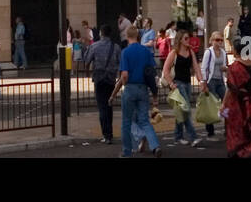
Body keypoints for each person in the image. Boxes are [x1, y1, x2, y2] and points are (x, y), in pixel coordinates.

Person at [112, 24, 161, 157]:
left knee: (126, 122)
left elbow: (124, 75)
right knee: (144, 120)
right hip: (143, 88)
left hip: (130, 87)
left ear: (127, 36)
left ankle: (127, 151)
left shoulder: (126, 52)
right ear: (138, 36)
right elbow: (151, 72)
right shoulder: (146, 51)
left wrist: (122, 87)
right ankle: (155, 146)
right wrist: (155, 94)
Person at [162, 28, 203, 147]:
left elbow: (196, 67)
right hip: (177, 84)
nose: (188, 40)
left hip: (187, 83)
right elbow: (165, 70)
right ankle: (193, 137)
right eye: (185, 38)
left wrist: (201, 81)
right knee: (186, 110)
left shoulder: (190, 52)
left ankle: (178, 136)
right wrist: (171, 83)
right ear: (180, 40)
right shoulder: (174, 53)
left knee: (181, 110)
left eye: (188, 38)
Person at [85, 25, 120, 142]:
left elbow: (86, 60)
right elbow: (121, 63)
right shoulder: (116, 47)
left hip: (99, 79)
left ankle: (106, 135)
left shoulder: (94, 46)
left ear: (101, 33)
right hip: (111, 80)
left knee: (102, 107)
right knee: (109, 106)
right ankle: (109, 133)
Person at [200, 31, 227, 139]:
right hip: (211, 81)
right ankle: (210, 130)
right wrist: (203, 82)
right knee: (212, 105)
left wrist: (225, 69)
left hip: (220, 80)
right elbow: (204, 68)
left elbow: (224, 66)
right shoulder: (209, 52)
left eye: (221, 40)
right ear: (212, 41)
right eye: (217, 40)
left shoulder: (223, 52)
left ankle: (227, 128)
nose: (220, 42)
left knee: (226, 103)